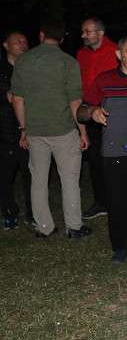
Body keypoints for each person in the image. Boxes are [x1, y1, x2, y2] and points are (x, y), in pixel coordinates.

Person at [11, 20, 90, 238]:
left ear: (41, 35)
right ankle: (74, 227)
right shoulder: (68, 62)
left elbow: (17, 99)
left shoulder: (23, 61)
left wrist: (24, 129)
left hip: (35, 131)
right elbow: (75, 102)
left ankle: (44, 227)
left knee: (38, 181)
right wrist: (83, 132)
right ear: (62, 39)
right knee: (70, 180)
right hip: (64, 130)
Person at [79, 36, 127, 261]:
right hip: (115, 151)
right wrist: (92, 111)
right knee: (117, 201)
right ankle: (120, 246)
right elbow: (81, 110)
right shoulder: (104, 80)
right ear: (119, 54)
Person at [76, 17, 120, 220]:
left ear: (100, 33)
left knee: (115, 160)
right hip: (90, 112)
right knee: (95, 160)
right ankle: (101, 202)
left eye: (87, 31)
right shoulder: (82, 54)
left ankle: (116, 201)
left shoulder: (116, 51)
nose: (83, 35)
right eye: (83, 31)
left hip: (113, 114)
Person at [0, 31, 31, 229]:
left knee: (31, 173)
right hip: (5, 131)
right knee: (5, 176)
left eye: (25, 41)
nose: (23, 44)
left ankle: (33, 212)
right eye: (18, 41)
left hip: (31, 129)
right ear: (6, 45)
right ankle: (9, 213)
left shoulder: (31, 68)